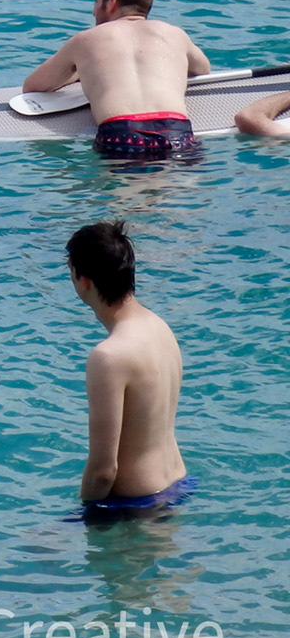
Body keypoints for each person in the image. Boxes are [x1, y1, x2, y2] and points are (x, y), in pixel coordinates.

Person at [66, 221, 193, 522]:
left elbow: (103, 471)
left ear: (83, 281)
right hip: (179, 484)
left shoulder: (109, 356)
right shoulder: (161, 328)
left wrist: (85, 518)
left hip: (135, 506)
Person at [22, 0, 211, 159]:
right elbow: (203, 69)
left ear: (112, 2)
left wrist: (79, 73)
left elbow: (34, 86)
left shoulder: (86, 40)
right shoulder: (174, 34)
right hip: (176, 133)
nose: (94, 10)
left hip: (122, 135)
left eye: (96, 1)